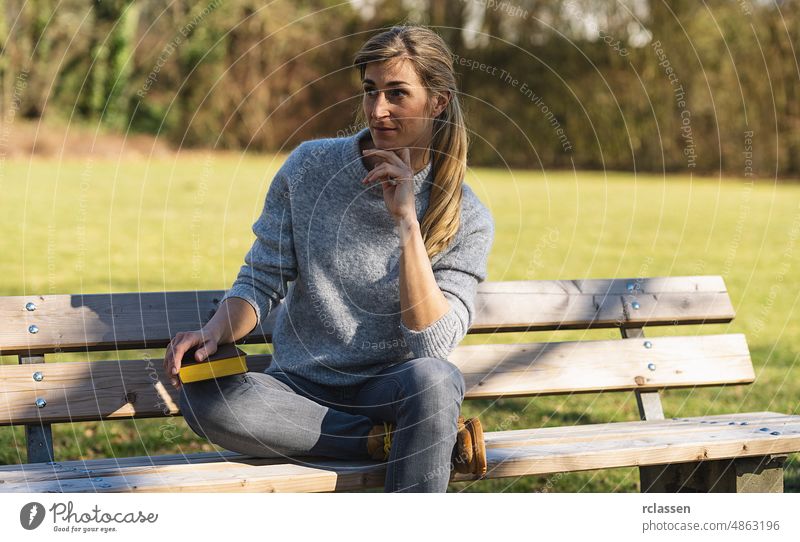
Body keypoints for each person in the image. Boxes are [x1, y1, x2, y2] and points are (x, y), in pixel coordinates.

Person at [164, 24, 495, 493]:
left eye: (398, 94)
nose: (378, 110)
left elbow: (432, 348)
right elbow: (261, 279)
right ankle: (383, 442)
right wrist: (213, 330)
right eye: (370, 91)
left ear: (438, 101)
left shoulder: (469, 217)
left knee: (436, 382)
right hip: (298, 388)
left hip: (391, 392)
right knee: (205, 397)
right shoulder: (310, 167)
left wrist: (406, 221)